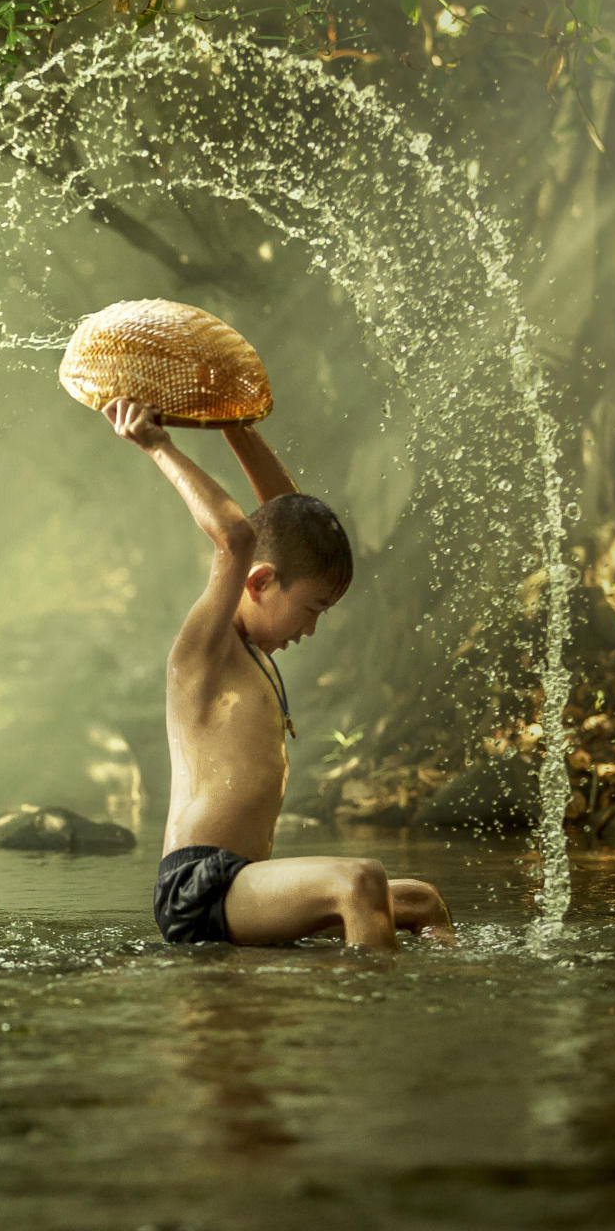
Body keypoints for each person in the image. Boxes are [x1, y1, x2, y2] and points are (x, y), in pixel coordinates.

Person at [102, 398, 455, 950]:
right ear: (260, 582)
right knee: (359, 883)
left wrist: (234, 426)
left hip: (245, 882)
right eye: (312, 608)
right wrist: (158, 444)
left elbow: (287, 517)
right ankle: (379, 1009)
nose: (311, 630)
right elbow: (239, 537)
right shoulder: (207, 651)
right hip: (198, 888)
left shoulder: (255, 647)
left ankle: (447, 994)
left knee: (422, 902)